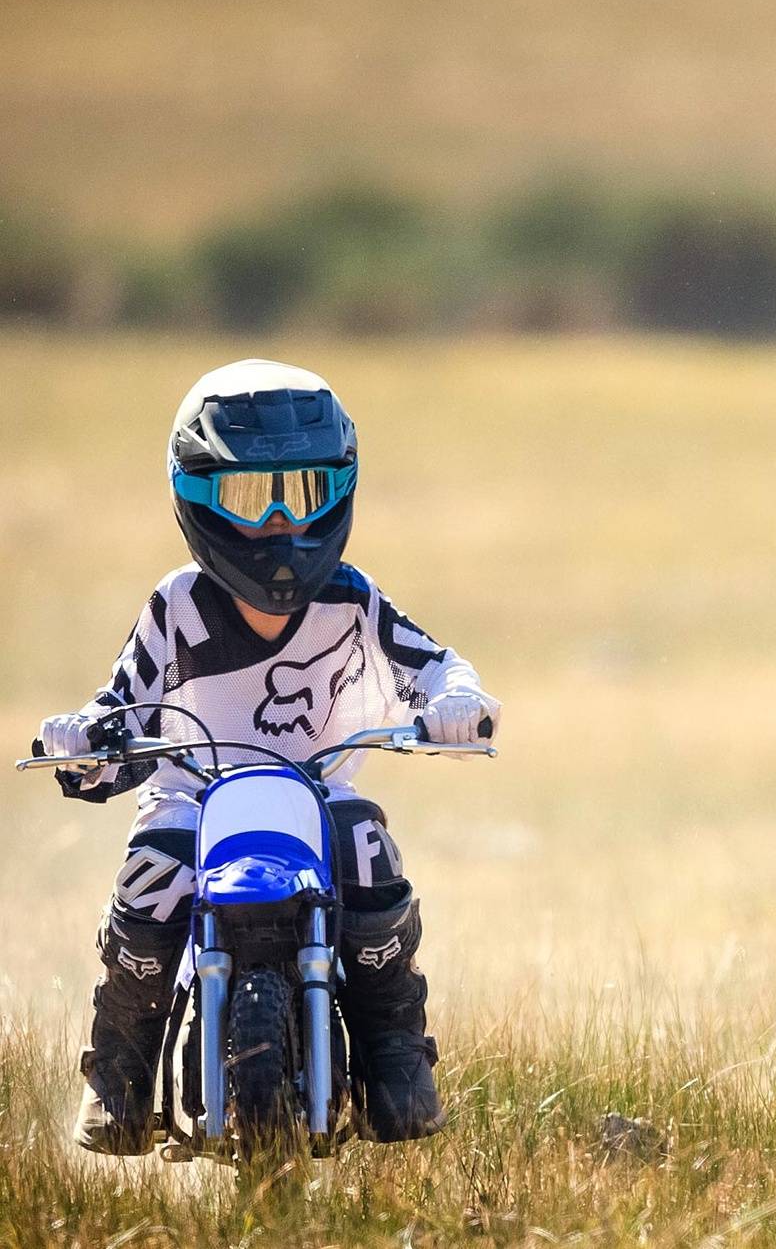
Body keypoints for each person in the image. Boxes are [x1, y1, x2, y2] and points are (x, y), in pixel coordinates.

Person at [37, 359, 501, 1153]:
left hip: (316, 805)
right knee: (150, 870)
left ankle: (395, 1056)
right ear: (199, 498)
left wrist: (458, 704)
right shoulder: (177, 606)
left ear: (341, 491)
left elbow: (435, 665)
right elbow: (116, 706)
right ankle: (118, 1075)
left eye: (307, 493)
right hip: (195, 802)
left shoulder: (352, 599)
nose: (283, 523)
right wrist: (83, 739)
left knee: (368, 841)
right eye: (255, 499)